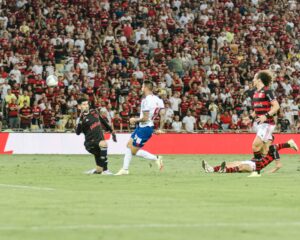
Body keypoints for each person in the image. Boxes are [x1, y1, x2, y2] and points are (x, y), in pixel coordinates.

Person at [115, 81, 163, 175]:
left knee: (133, 150)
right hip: (145, 127)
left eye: (142, 86)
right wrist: (159, 128)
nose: (141, 88)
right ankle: (125, 169)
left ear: (145, 88)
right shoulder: (158, 100)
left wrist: (134, 120)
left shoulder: (146, 101)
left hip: (144, 128)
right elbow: (162, 113)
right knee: (129, 144)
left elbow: (145, 118)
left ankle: (156, 158)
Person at [202, 139, 298, 173]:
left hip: (255, 167)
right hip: (251, 161)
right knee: (232, 163)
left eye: (268, 140)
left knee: (241, 167)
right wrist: (290, 144)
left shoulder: (272, 149)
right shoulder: (262, 147)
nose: (266, 141)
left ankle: (224, 170)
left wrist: (290, 144)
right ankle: (211, 169)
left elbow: (278, 164)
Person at [75, 98, 117, 175]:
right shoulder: (80, 119)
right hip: (90, 142)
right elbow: (77, 132)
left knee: (99, 165)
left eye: (87, 104)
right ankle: (105, 170)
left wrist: (111, 131)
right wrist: (81, 119)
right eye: (84, 104)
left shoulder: (94, 112)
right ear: (79, 107)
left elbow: (103, 121)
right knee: (104, 144)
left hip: (99, 139)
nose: (86, 106)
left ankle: (98, 170)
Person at [250, 70, 280, 160]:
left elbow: (276, 106)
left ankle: (256, 170)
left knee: (255, 146)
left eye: (254, 78)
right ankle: (256, 165)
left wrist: (265, 116)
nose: (253, 80)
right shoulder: (255, 93)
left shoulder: (267, 91)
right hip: (260, 124)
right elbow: (257, 110)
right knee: (264, 151)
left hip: (267, 123)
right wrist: (249, 117)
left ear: (259, 80)